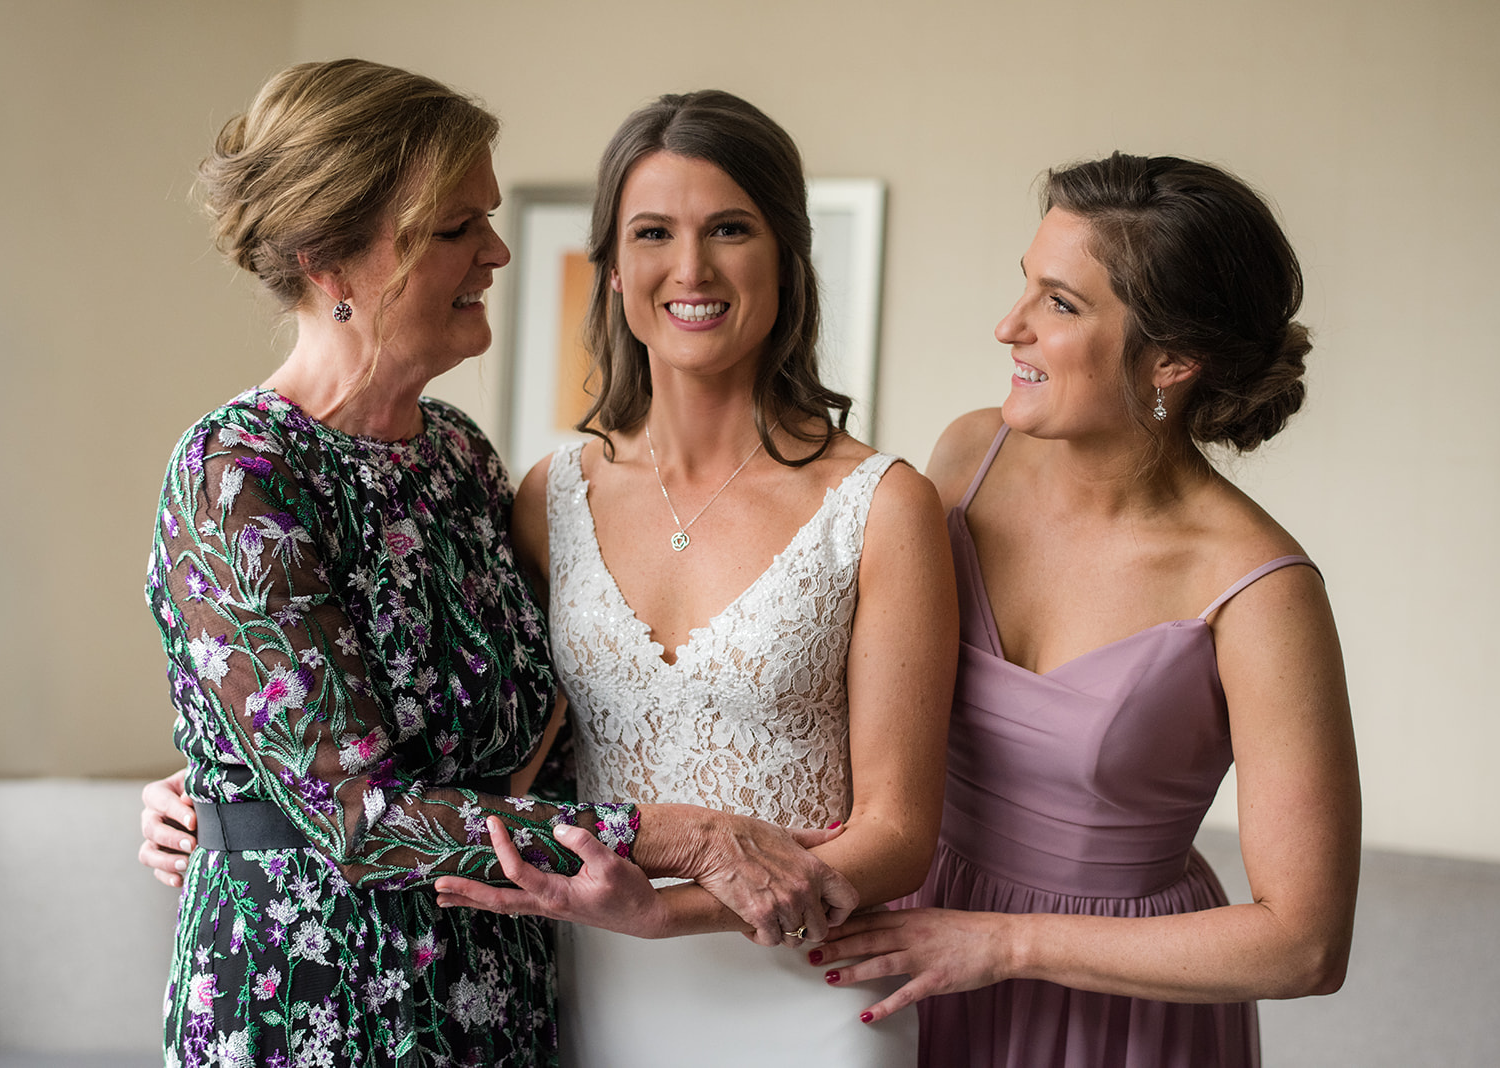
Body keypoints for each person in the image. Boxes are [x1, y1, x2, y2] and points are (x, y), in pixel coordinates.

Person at [143, 62, 858, 1068]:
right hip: (316, 1004)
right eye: (455, 228)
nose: (499, 249)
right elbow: (354, 817)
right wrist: (684, 834)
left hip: (497, 990)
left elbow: (540, 732)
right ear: (329, 261)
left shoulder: (460, 458)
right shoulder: (236, 474)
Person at [434, 89, 959, 1066]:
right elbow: (470, 746)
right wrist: (224, 783)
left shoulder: (884, 505)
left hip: (811, 994)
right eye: (652, 233)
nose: (692, 269)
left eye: (730, 228)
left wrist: (666, 914)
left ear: (787, 256)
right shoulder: (551, 495)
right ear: (615, 267)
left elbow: (898, 833)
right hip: (591, 988)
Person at [810, 153, 1362, 1066]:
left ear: (1173, 360)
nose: (1008, 326)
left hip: (1113, 1012)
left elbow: (1305, 945)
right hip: (900, 951)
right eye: (1023, 285)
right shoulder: (965, 458)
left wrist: (1004, 943)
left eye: (1059, 305)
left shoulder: (1262, 591)